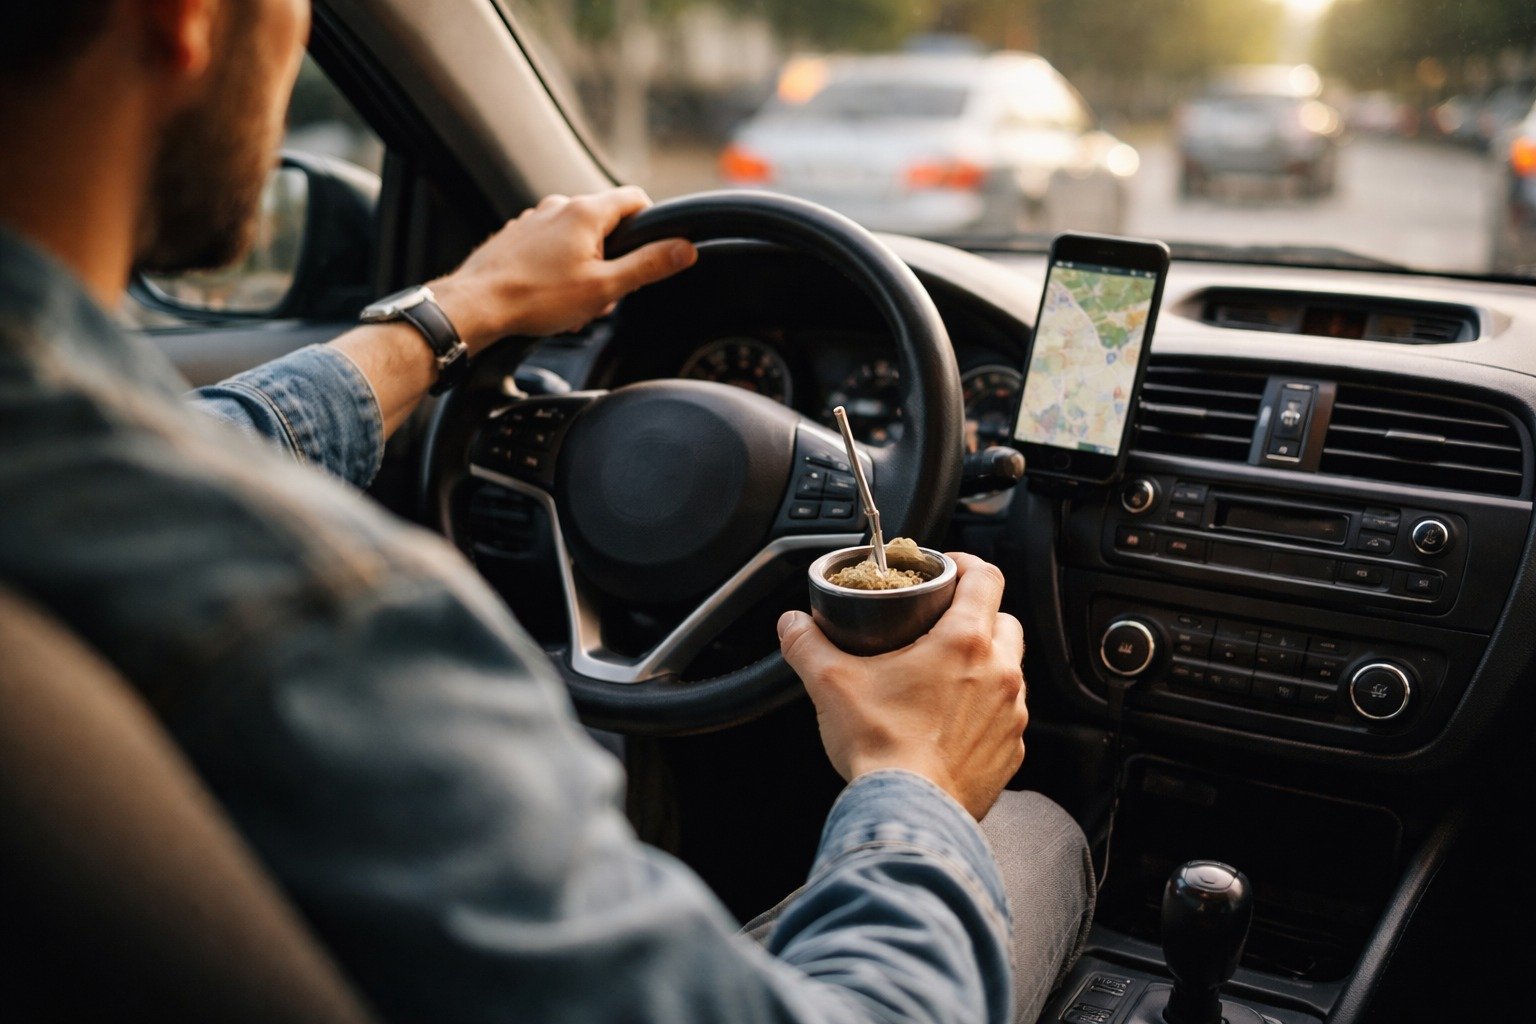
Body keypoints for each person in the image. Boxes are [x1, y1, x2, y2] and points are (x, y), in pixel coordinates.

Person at [0, 1, 1093, 1022]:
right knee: (1031, 830)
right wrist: (916, 773)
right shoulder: (324, 620)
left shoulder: (73, 486)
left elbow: (202, 434)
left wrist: (459, 311)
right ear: (185, 18)